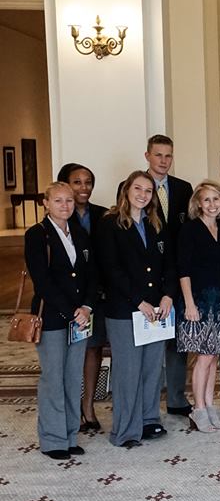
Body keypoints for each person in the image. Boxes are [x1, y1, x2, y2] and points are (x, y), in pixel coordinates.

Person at [98, 171, 177, 448]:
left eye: (148, 190)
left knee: (152, 369)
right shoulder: (110, 224)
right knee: (128, 372)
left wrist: (168, 295)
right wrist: (138, 301)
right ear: (126, 190)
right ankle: (126, 430)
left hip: (156, 309)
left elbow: (169, 262)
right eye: (138, 188)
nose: (143, 194)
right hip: (125, 310)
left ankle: (148, 421)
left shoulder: (157, 223)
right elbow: (111, 269)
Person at [118, 135, 193, 417]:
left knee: (176, 341)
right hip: (142, 281)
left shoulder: (184, 188)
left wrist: (171, 287)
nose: (164, 161)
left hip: (173, 276)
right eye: (158, 155)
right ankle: (141, 409)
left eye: (168, 156)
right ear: (147, 155)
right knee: (143, 351)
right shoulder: (130, 189)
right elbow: (126, 237)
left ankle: (175, 399)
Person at [25, 182, 97, 459]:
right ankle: (53, 439)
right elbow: (42, 282)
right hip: (54, 319)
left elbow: (92, 274)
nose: (65, 205)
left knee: (71, 378)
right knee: (53, 379)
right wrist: (72, 312)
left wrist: (87, 307)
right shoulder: (37, 235)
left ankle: (69, 435)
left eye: (68, 200)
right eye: (58, 201)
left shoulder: (79, 232)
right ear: (46, 203)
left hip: (81, 318)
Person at [177, 182, 220, 433]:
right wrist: (189, 304)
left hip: (219, 301)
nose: (212, 204)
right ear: (198, 204)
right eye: (207, 200)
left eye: (216, 199)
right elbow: (183, 269)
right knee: (203, 357)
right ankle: (198, 409)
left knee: (214, 357)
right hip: (198, 301)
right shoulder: (190, 230)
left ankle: (210, 405)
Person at [58, 163, 108, 432]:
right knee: (69, 353)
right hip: (67, 299)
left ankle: (88, 407)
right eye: (77, 182)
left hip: (96, 295)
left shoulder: (103, 214)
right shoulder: (59, 215)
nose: (83, 187)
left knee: (93, 349)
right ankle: (69, 409)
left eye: (88, 182)